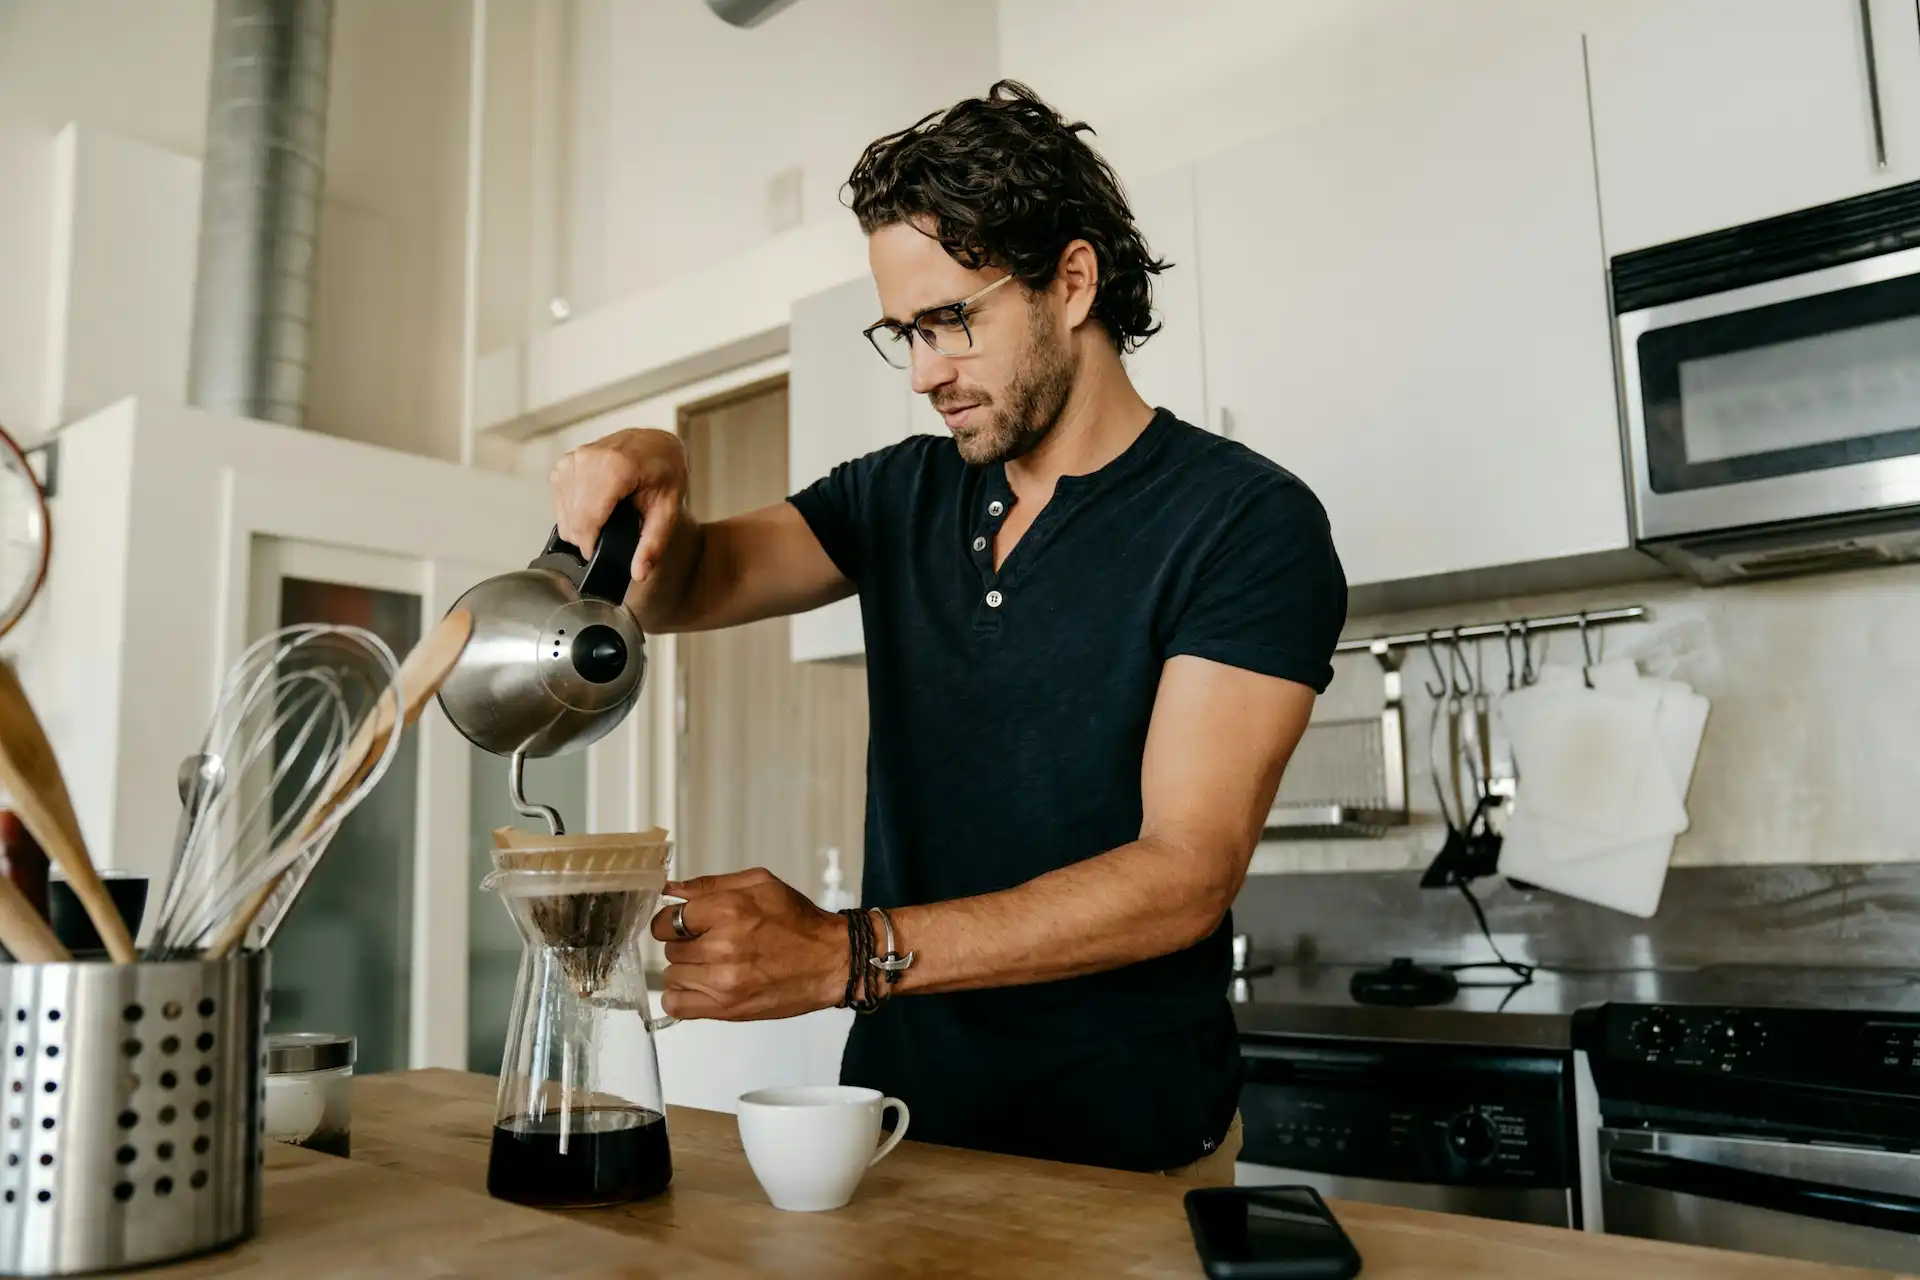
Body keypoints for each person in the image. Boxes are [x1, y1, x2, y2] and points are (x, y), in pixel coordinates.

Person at [548, 80, 1347, 1178]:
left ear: (1073, 280)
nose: (926, 373)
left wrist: (849, 951)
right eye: (905, 334)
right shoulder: (900, 496)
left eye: (953, 320)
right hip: (900, 1127)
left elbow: (1183, 871)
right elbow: (688, 584)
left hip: (1129, 1148)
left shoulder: (1244, 521)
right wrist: (663, 470)